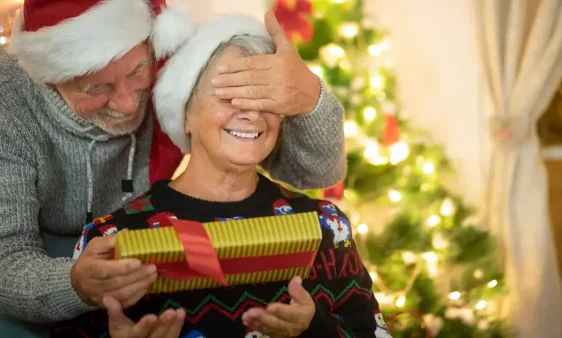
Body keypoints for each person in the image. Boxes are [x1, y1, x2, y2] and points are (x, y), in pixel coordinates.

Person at [0, 0, 346, 325]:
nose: (126, 104)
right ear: (49, 79)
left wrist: (309, 97)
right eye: (95, 88)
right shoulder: (10, 104)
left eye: (137, 71)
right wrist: (75, 284)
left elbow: (314, 171)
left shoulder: (174, 58)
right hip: (42, 271)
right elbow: (7, 260)